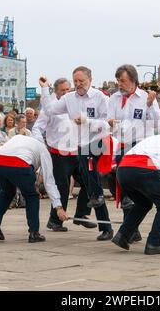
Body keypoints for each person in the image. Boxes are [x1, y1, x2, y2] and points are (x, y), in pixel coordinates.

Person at [41, 66, 114, 241]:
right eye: (76, 82)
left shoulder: (100, 98)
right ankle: (105, 225)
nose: (79, 84)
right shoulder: (68, 98)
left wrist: (87, 121)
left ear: (90, 80)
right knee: (91, 182)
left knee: (90, 176)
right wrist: (45, 89)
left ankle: (92, 203)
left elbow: (108, 123)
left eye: (82, 81)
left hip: (99, 142)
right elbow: (50, 110)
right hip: (80, 146)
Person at [107, 64, 160, 244]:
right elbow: (110, 123)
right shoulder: (114, 99)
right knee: (126, 192)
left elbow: (155, 124)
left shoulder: (147, 98)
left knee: (139, 193)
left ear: (133, 80)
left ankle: (130, 229)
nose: (119, 84)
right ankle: (132, 230)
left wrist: (151, 106)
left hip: (141, 147)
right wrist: (111, 124)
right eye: (118, 81)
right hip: (122, 147)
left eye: (122, 81)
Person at [36, 77, 96, 233]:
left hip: (76, 152)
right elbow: (37, 128)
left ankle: (81, 214)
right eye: (62, 90)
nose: (65, 93)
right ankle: (54, 221)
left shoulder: (74, 106)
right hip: (58, 154)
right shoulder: (49, 109)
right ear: (56, 91)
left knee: (88, 181)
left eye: (68, 90)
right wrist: (42, 146)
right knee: (62, 188)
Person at [0, 135, 69, 243]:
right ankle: (34, 233)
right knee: (32, 196)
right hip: (19, 164)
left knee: (6, 192)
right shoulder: (43, 150)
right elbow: (49, 182)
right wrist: (58, 207)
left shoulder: (19, 137)